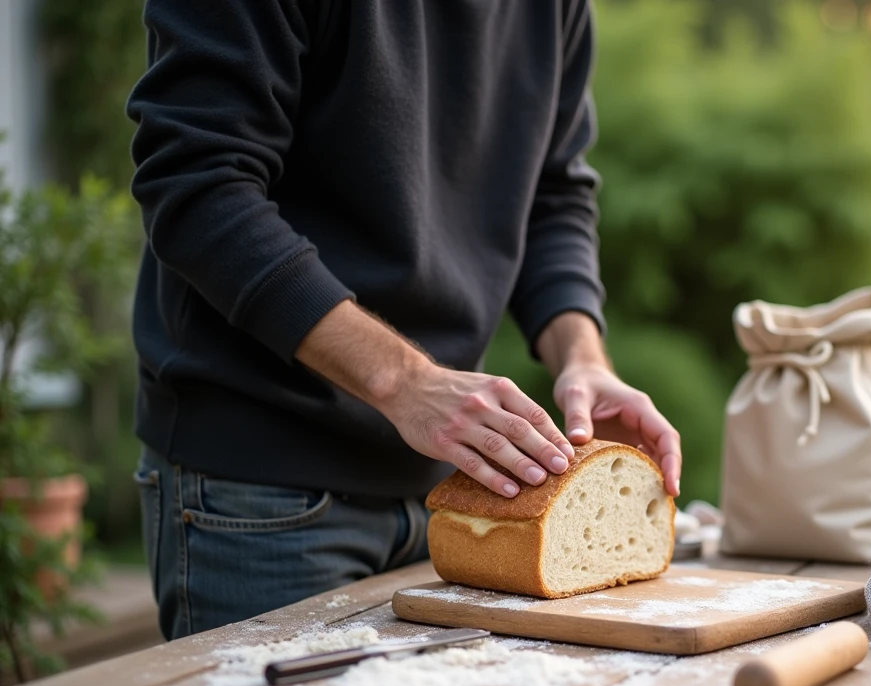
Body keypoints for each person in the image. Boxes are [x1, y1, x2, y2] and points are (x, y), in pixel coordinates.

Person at [125, 0, 681, 641]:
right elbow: (197, 187)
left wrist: (583, 357)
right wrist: (407, 383)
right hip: (259, 490)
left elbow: (552, 195)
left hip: (451, 491)